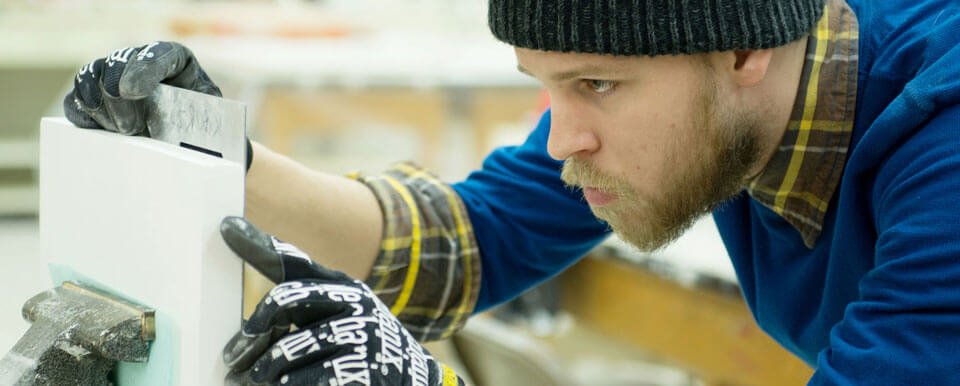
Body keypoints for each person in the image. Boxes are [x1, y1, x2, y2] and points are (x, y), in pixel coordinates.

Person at [63, 0, 960, 383]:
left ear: (739, 54)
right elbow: (473, 241)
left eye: (596, 86)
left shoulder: (943, 138)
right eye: (550, 84)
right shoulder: (705, 97)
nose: (564, 135)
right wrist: (233, 163)